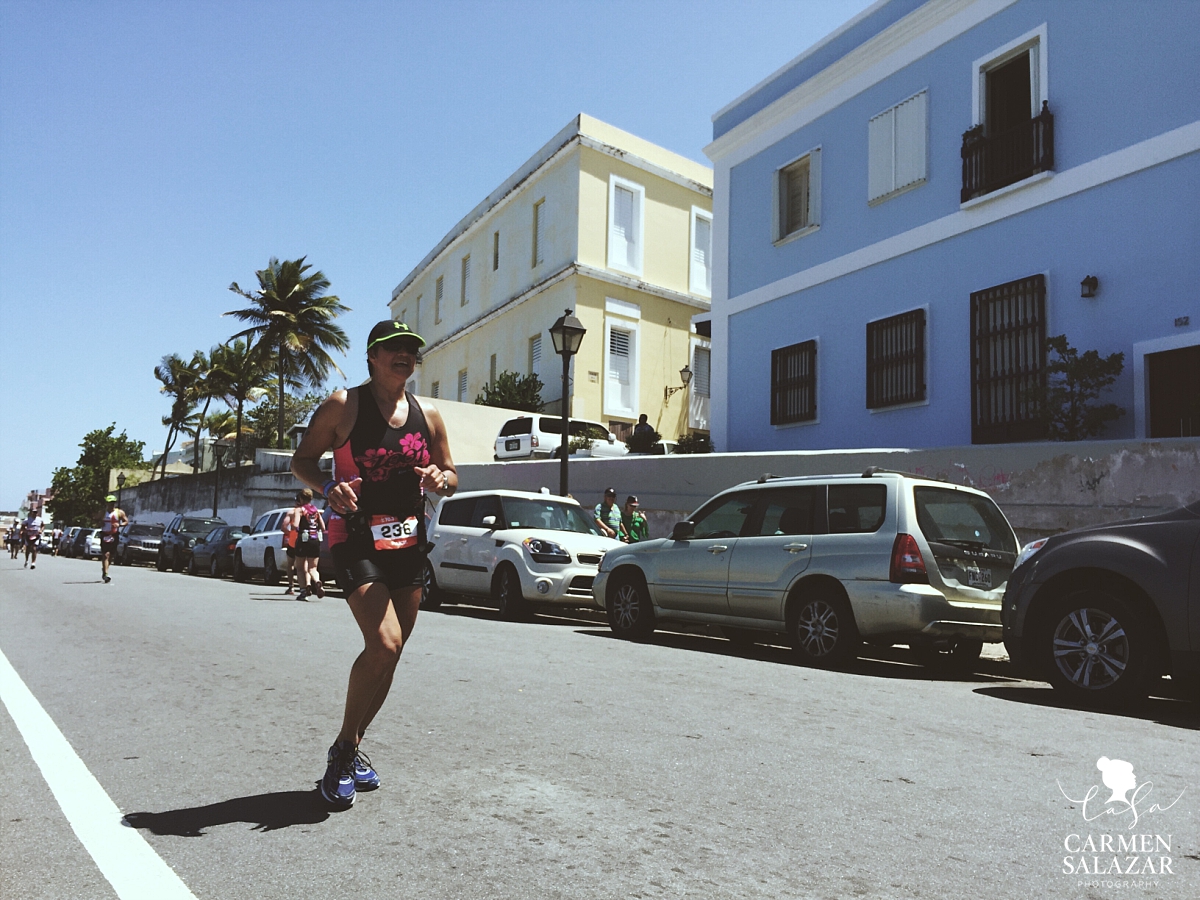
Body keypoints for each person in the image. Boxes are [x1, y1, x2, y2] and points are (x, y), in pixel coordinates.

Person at [292, 319, 457, 810]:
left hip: (408, 541)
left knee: (393, 651)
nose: (403, 355)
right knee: (383, 642)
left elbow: (451, 473)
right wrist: (327, 487)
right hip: (355, 537)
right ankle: (344, 749)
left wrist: (439, 479)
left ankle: (352, 747)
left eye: (410, 349)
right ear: (372, 356)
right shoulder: (345, 406)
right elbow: (302, 460)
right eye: (393, 349)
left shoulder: (429, 414)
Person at [288, 488, 326, 601]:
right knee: (313, 568)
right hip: (315, 540)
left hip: (303, 540)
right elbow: (323, 527)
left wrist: (297, 528)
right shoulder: (315, 510)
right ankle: (317, 581)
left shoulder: (299, 510)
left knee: (300, 567)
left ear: (300, 498)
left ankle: (303, 591)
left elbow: (295, 525)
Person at [98, 495, 128, 583]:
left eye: (113, 503)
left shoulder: (119, 512)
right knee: (105, 554)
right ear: (106, 503)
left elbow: (126, 521)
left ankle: (105, 568)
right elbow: (96, 521)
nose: (111, 505)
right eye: (110, 503)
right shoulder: (103, 512)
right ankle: (106, 574)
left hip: (114, 535)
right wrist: (100, 523)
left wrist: (120, 525)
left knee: (111, 555)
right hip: (105, 534)